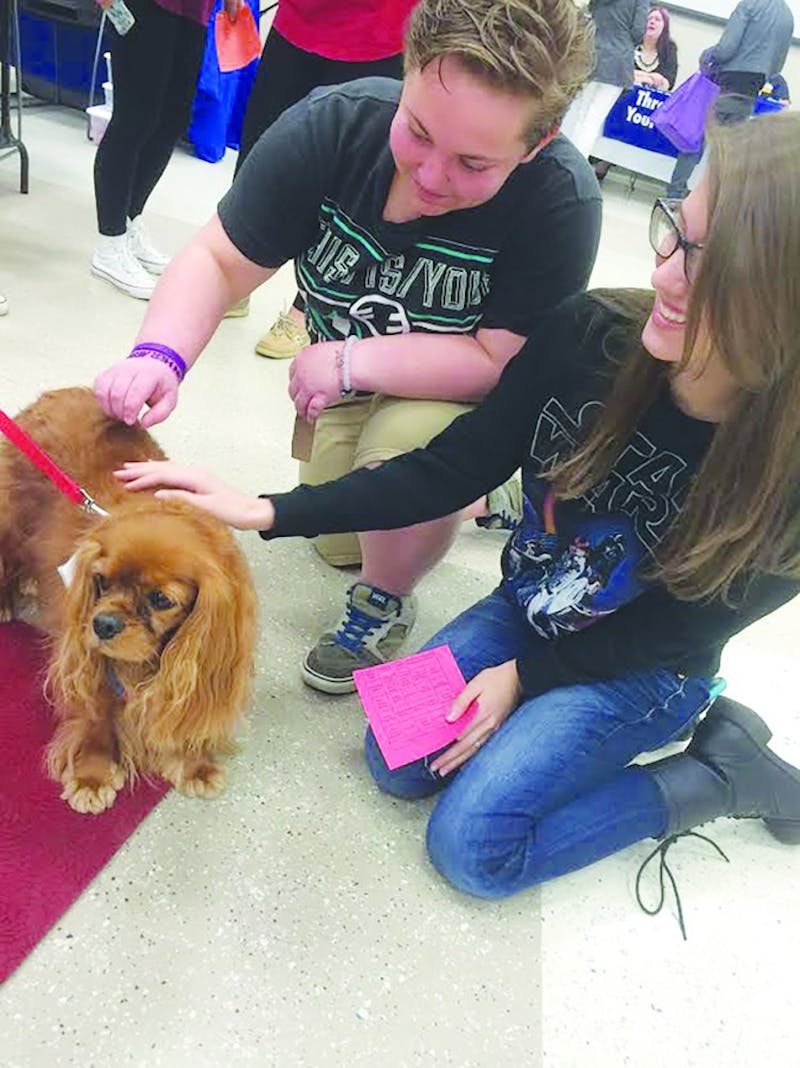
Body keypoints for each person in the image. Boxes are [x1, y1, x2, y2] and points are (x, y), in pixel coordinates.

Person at [115, 110, 800, 917]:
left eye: (709, 266)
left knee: (475, 847)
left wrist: (524, 681)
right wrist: (265, 510)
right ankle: (545, 728)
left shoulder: (783, 469)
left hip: (643, 669)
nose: (665, 276)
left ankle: (721, 773)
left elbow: (677, 632)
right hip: (530, 607)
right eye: (674, 235)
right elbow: (456, 466)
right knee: (393, 756)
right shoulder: (592, 334)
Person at [93, 0, 603, 695]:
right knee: (340, 538)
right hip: (343, 390)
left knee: (401, 490)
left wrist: (347, 359)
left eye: (473, 163)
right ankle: (467, 502)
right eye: (418, 132)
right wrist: (160, 356)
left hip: (452, 387)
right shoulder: (334, 124)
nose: (429, 177)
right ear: (407, 72)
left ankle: (390, 594)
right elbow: (217, 259)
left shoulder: (559, 200)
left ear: (535, 146)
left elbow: (496, 361)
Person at [234, 0, 420, 356]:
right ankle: (239, 272)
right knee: (260, 145)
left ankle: (306, 309)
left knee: (352, 177)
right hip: (299, 22)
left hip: (378, 34)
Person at [90, 0, 242, 299]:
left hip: (194, 10)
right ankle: (109, 242)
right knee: (134, 118)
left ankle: (129, 220)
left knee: (172, 120)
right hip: (144, 7)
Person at [666, 0, 794, 199]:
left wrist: (707, 55)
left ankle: (675, 193)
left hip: (725, 83)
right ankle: (715, 201)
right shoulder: (788, 16)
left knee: (696, 139)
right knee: (727, 152)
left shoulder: (749, 5)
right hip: (750, 91)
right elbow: (776, 67)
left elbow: (726, 49)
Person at [560, 0, 649, 158]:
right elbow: (638, 31)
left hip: (592, 52)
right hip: (618, 61)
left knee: (580, 115)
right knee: (594, 120)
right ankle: (575, 166)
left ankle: (564, 158)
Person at [633, 5, 678, 91]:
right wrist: (651, 77)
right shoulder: (631, 43)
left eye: (657, 19)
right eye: (649, 19)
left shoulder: (669, 49)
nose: (652, 22)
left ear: (664, 27)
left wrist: (638, 76)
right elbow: (621, 73)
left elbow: (668, 83)